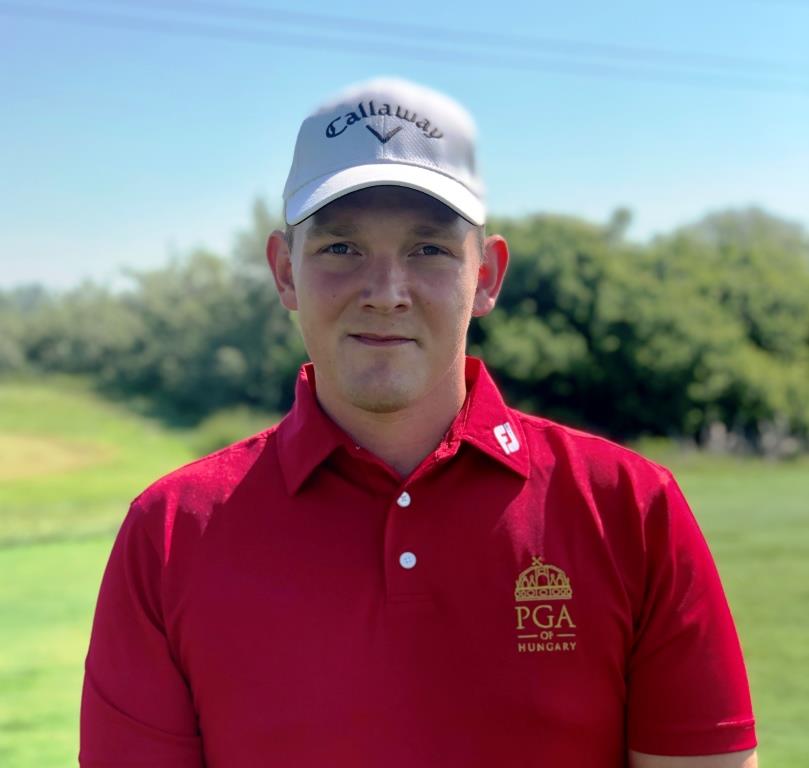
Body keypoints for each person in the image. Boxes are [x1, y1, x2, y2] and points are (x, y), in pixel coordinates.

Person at [80, 77, 757, 767]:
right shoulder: (170, 533)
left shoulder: (630, 509)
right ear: (284, 272)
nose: (385, 293)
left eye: (428, 249)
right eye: (340, 248)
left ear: (486, 275)